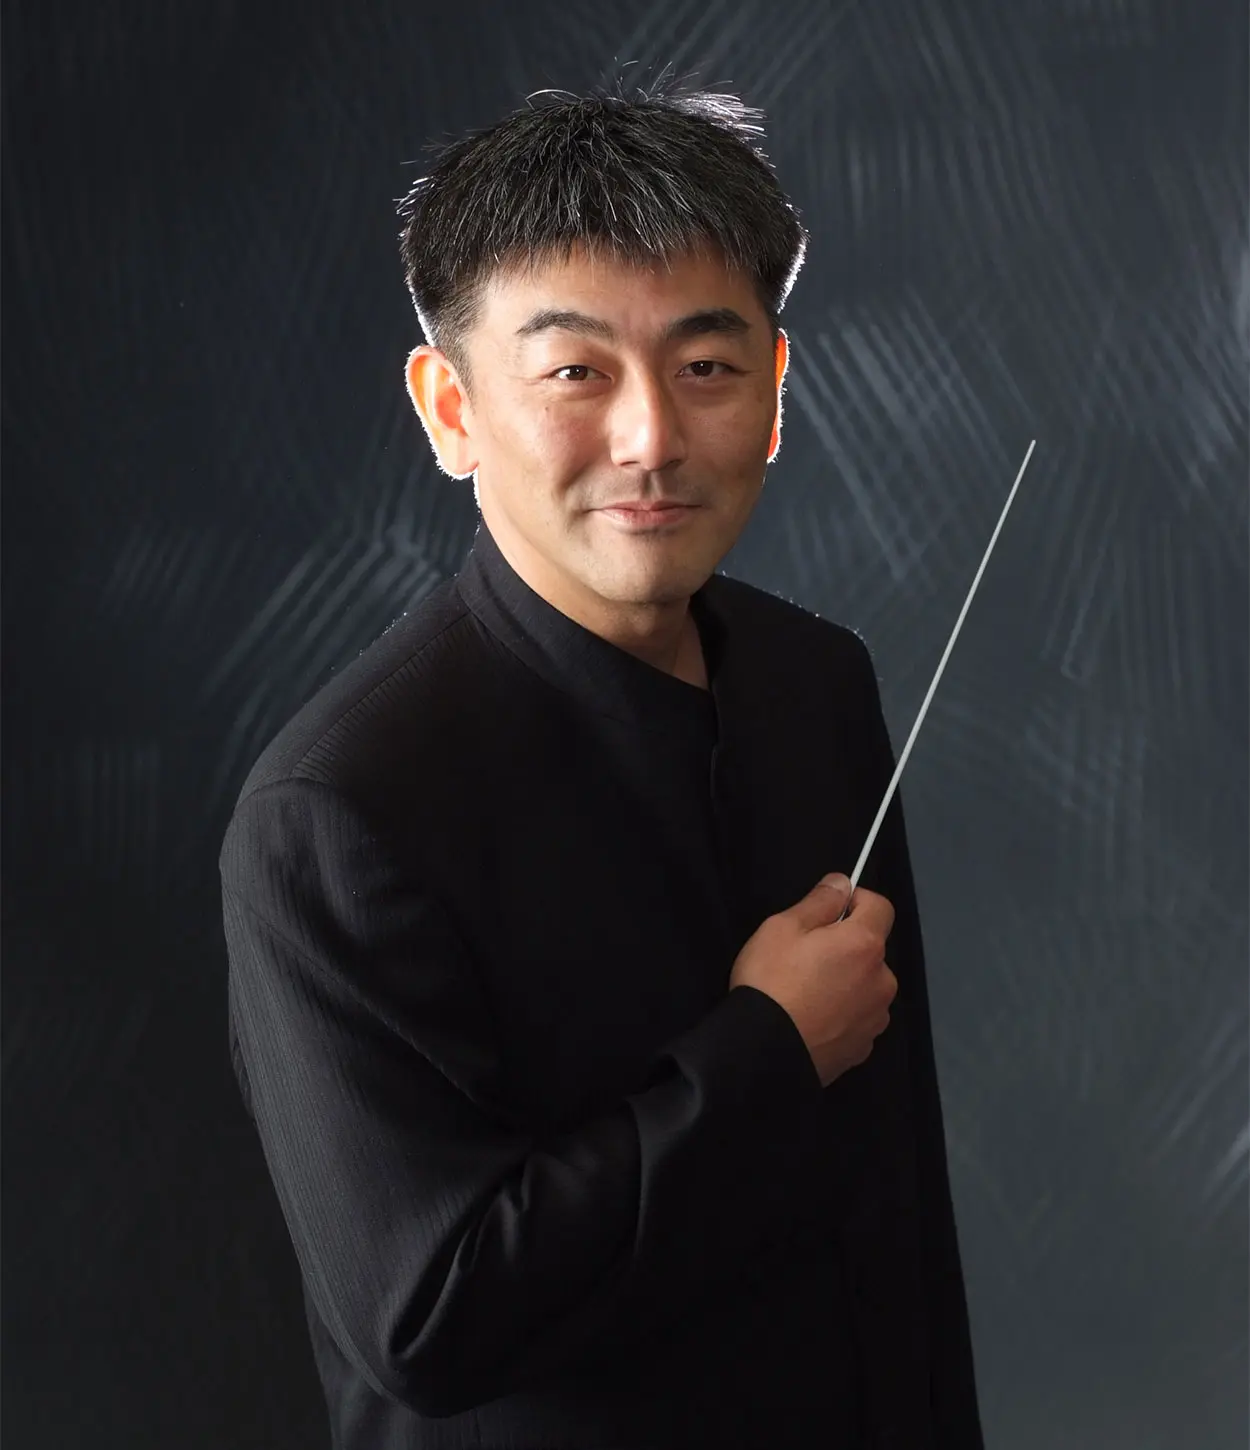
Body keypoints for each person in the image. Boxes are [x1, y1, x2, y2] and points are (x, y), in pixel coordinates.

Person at [219, 74, 984, 1450]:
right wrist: (763, 1051)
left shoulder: (817, 684)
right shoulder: (337, 810)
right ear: (450, 410)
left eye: (706, 367)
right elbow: (429, 1315)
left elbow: (893, 1209)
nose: (651, 439)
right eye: (575, 372)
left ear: (775, 390)